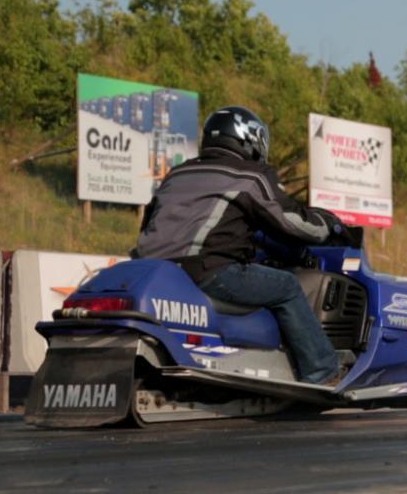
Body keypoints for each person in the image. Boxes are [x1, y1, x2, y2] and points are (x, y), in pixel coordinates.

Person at [133, 105, 340, 385]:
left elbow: (149, 224)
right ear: (250, 139)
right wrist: (329, 225)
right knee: (287, 286)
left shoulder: (177, 174)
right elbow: (291, 222)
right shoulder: (247, 175)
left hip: (153, 270)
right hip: (206, 271)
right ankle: (322, 371)